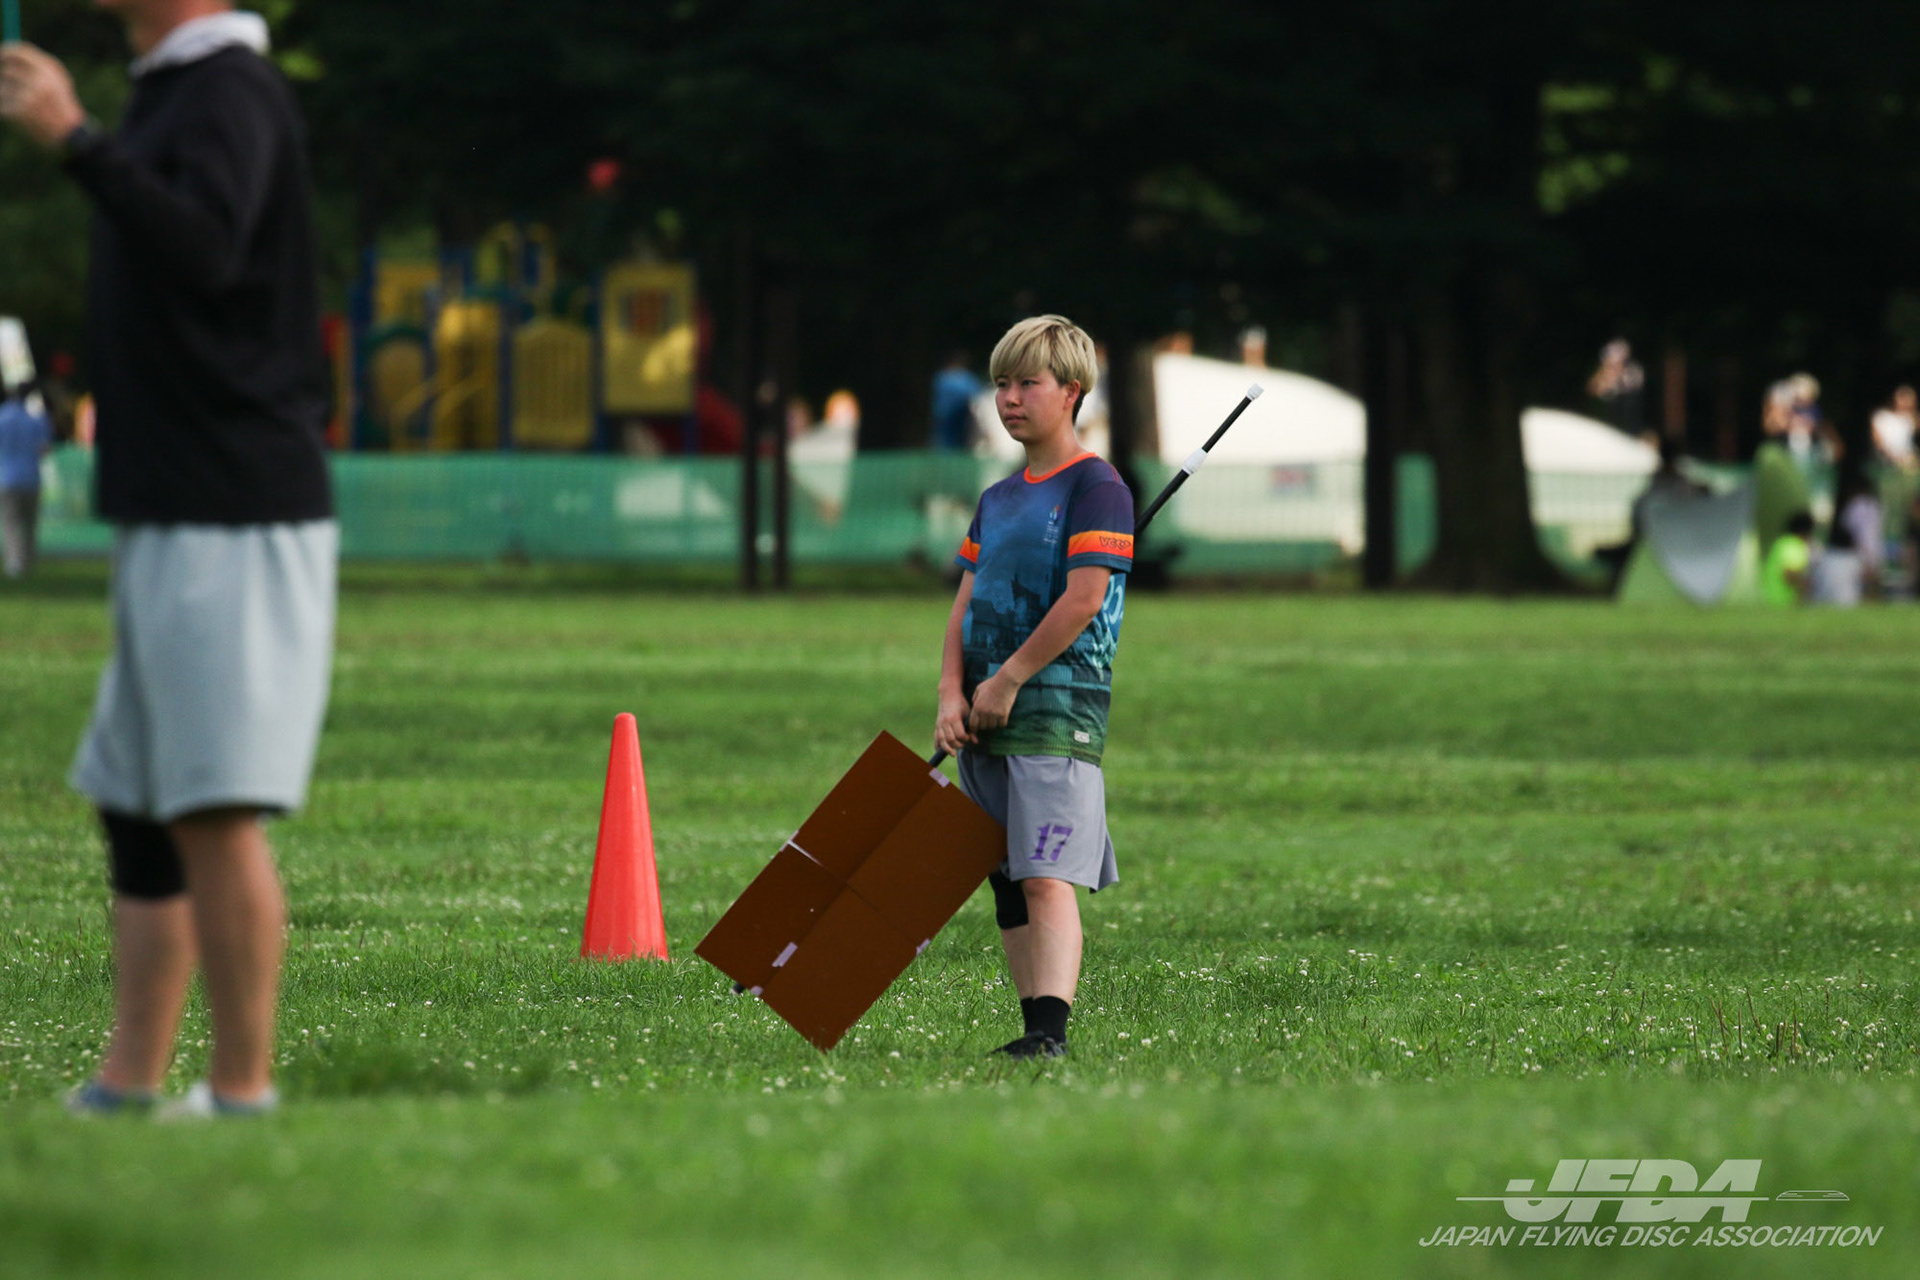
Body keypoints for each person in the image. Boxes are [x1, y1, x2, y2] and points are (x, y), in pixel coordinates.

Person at [3, 1, 336, 1118]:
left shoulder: (233, 91)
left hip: (232, 505)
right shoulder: (174, 89)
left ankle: (240, 1093)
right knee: (140, 808)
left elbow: (204, 247)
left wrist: (75, 139)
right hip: (172, 503)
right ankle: (126, 1086)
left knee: (211, 804)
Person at [935, 315, 1134, 1060]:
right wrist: (952, 693)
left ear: (1071, 392)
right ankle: (1029, 1029)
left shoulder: (1098, 487)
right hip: (984, 713)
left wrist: (1010, 679)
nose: (1010, 399)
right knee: (1006, 876)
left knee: (1047, 874)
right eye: (1001, 384)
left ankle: (1050, 1034)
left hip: (1053, 714)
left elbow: (1084, 599)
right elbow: (964, 604)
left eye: (1028, 383)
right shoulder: (997, 497)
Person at [0, 379, 52, 578]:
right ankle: (28, 560)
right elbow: (45, 448)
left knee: (11, 522)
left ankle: (15, 562)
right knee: (29, 523)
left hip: (7, 477)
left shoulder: (3, 416)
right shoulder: (36, 417)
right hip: (31, 477)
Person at [930, 350, 984, 452]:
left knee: (947, 442)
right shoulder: (967, 378)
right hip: (957, 416)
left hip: (947, 415)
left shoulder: (941, 377)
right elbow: (976, 396)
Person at [1761, 511, 1815, 607]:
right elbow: (1789, 573)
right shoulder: (1794, 546)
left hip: (1768, 598)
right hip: (1783, 602)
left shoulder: (1780, 543)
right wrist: (1806, 586)